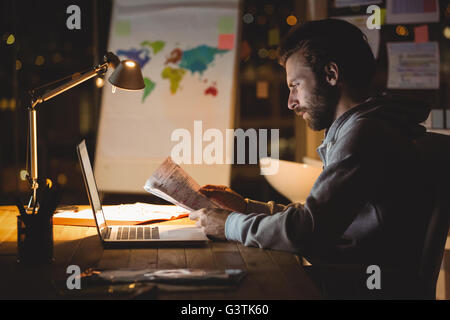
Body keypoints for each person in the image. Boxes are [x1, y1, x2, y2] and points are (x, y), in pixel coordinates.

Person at [189, 19, 432, 270]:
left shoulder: (364, 133)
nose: (290, 102)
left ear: (331, 74)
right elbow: (317, 219)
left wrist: (229, 225)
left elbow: (307, 231)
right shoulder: (368, 126)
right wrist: (246, 207)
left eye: (295, 85)